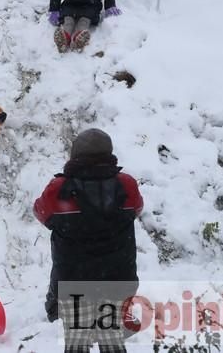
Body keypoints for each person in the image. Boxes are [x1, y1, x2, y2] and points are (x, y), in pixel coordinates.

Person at [33, 128, 143, 353]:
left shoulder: (60, 189)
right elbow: (137, 209)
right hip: (115, 279)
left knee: (77, 342)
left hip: (75, 281)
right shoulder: (126, 185)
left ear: (75, 155)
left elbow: (41, 213)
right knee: (112, 340)